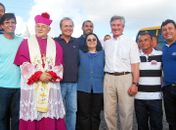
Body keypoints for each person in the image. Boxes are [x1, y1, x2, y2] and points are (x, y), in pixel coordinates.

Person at [14, 12, 66, 130]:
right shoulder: (26, 43)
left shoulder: (56, 45)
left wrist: (50, 75)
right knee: (33, 112)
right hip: (33, 86)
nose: (40, 28)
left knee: (50, 112)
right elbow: (23, 63)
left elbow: (59, 65)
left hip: (50, 83)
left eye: (43, 26)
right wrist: (38, 75)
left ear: (49, 29)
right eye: (38, 26)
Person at [103, 15, 140, 130]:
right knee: (109, 112)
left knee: (126, 112)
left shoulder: (131, 43)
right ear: (110, 26)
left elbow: (135, 65)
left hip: (125, 78)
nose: (116, 27)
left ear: (123, 27)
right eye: (113, 25)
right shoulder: (106, 43)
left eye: (118, 25)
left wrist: (135, 83)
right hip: (108, 78)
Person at [54, 17, 79, 130]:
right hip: (58, 83)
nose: (68, 28)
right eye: (66, 26)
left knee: (72, 111)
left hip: (73, 83)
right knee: (56, 110)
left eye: (70, 26)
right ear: (61, 28)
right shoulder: (54, 42)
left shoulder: (77, 42)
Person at [135, 31, 163, 130]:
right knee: (142, 126)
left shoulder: (161, 55)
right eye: (140, 41)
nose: (143, 43)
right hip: (139, 98)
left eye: (146, 40)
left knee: (157, 125)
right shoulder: (135, 57)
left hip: (156, 98)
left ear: (152, 41)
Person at [77, 33, 104, 130]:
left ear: (97, 41)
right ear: (85, 42)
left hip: (98, 89)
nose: (92, 41)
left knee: (96, 114)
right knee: (84, 114)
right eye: (89, 40)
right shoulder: (80, 53)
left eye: (94, 39)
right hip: (82, 88)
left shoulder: (103, 54)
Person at [0, 13, 22, 130]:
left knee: (17, 118)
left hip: (19, 87)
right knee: (2, 117)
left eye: (13, 22)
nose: (10, 25)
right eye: (7, 22)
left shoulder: (22, 41)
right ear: (2, 26)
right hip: (1, 86)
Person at [161, 19, 176, 130]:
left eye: (170, 28)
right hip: (167, 88)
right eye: (164, 30)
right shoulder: (163, 48)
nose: (167, 31)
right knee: (171, 119)